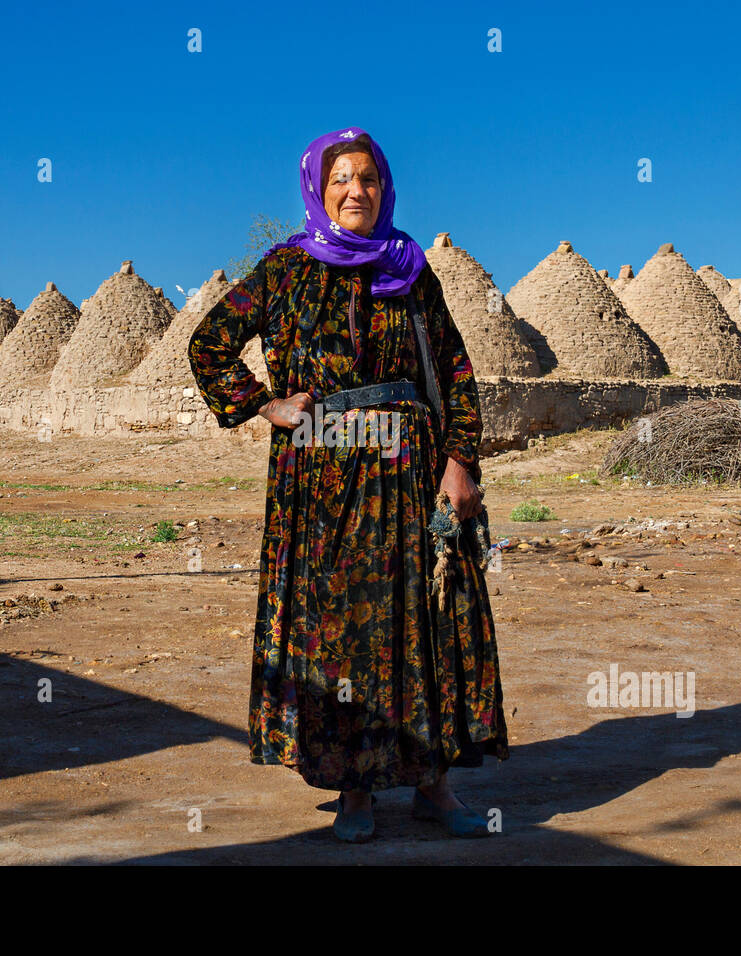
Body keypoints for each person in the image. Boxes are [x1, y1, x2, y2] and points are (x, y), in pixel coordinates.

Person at [188, 126, 509, 842]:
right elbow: (208, 342)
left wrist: (461, 462)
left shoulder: (411, 268)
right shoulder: (284, 269)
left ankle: (434, 785)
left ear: (384, 187)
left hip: (410, 469)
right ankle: (354, 790)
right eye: (341, 181)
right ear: (317, 189)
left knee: (423, 623)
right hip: (324, 476)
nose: (354, 192)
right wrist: (261, 403)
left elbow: (455, 371)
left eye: (366, 179)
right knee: (341, 633)